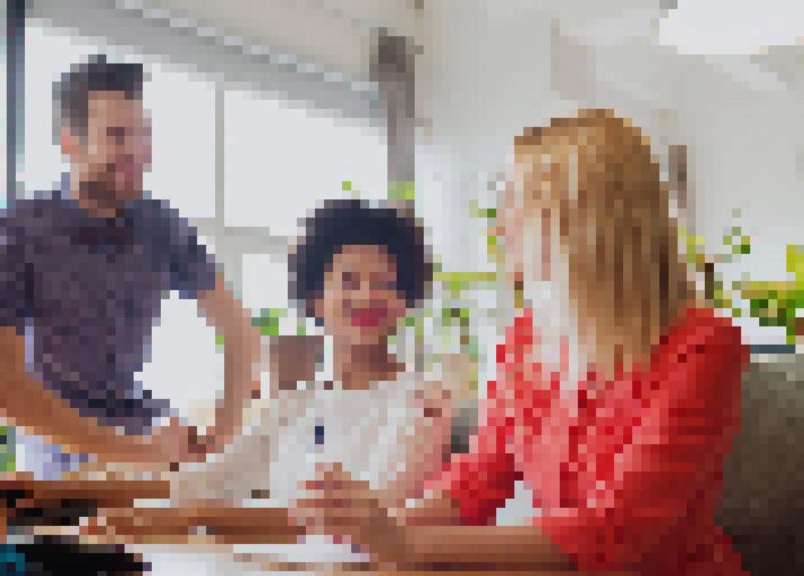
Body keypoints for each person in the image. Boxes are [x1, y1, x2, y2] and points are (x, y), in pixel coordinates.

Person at [294, 110, 750, 576]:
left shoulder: (702, 347)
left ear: (580, 222)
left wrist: (405, 544)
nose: (499, 228)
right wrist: (374, 531)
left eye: (514, 206)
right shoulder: (526, 338)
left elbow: (618, 531)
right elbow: (477, 480)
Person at [0, 57, 260, 476]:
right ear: (69, 143)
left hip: (142, 436)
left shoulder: (161, 225)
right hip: (61, 456)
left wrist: (222, 436)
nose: (137, 152)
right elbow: (3, 393)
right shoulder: (13, 232)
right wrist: (138, 452)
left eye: (143, 134)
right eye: (117, 136)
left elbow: (239, 332)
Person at [157, 200, 453, 570]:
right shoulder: (293, 404)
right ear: (315, 297)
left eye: (385, 284)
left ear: (405, 300)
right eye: (349, 281)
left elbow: (369, 517)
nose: (367, 297)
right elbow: (215, 480)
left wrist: (210, 514)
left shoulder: (422, 400)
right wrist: (162, 469)